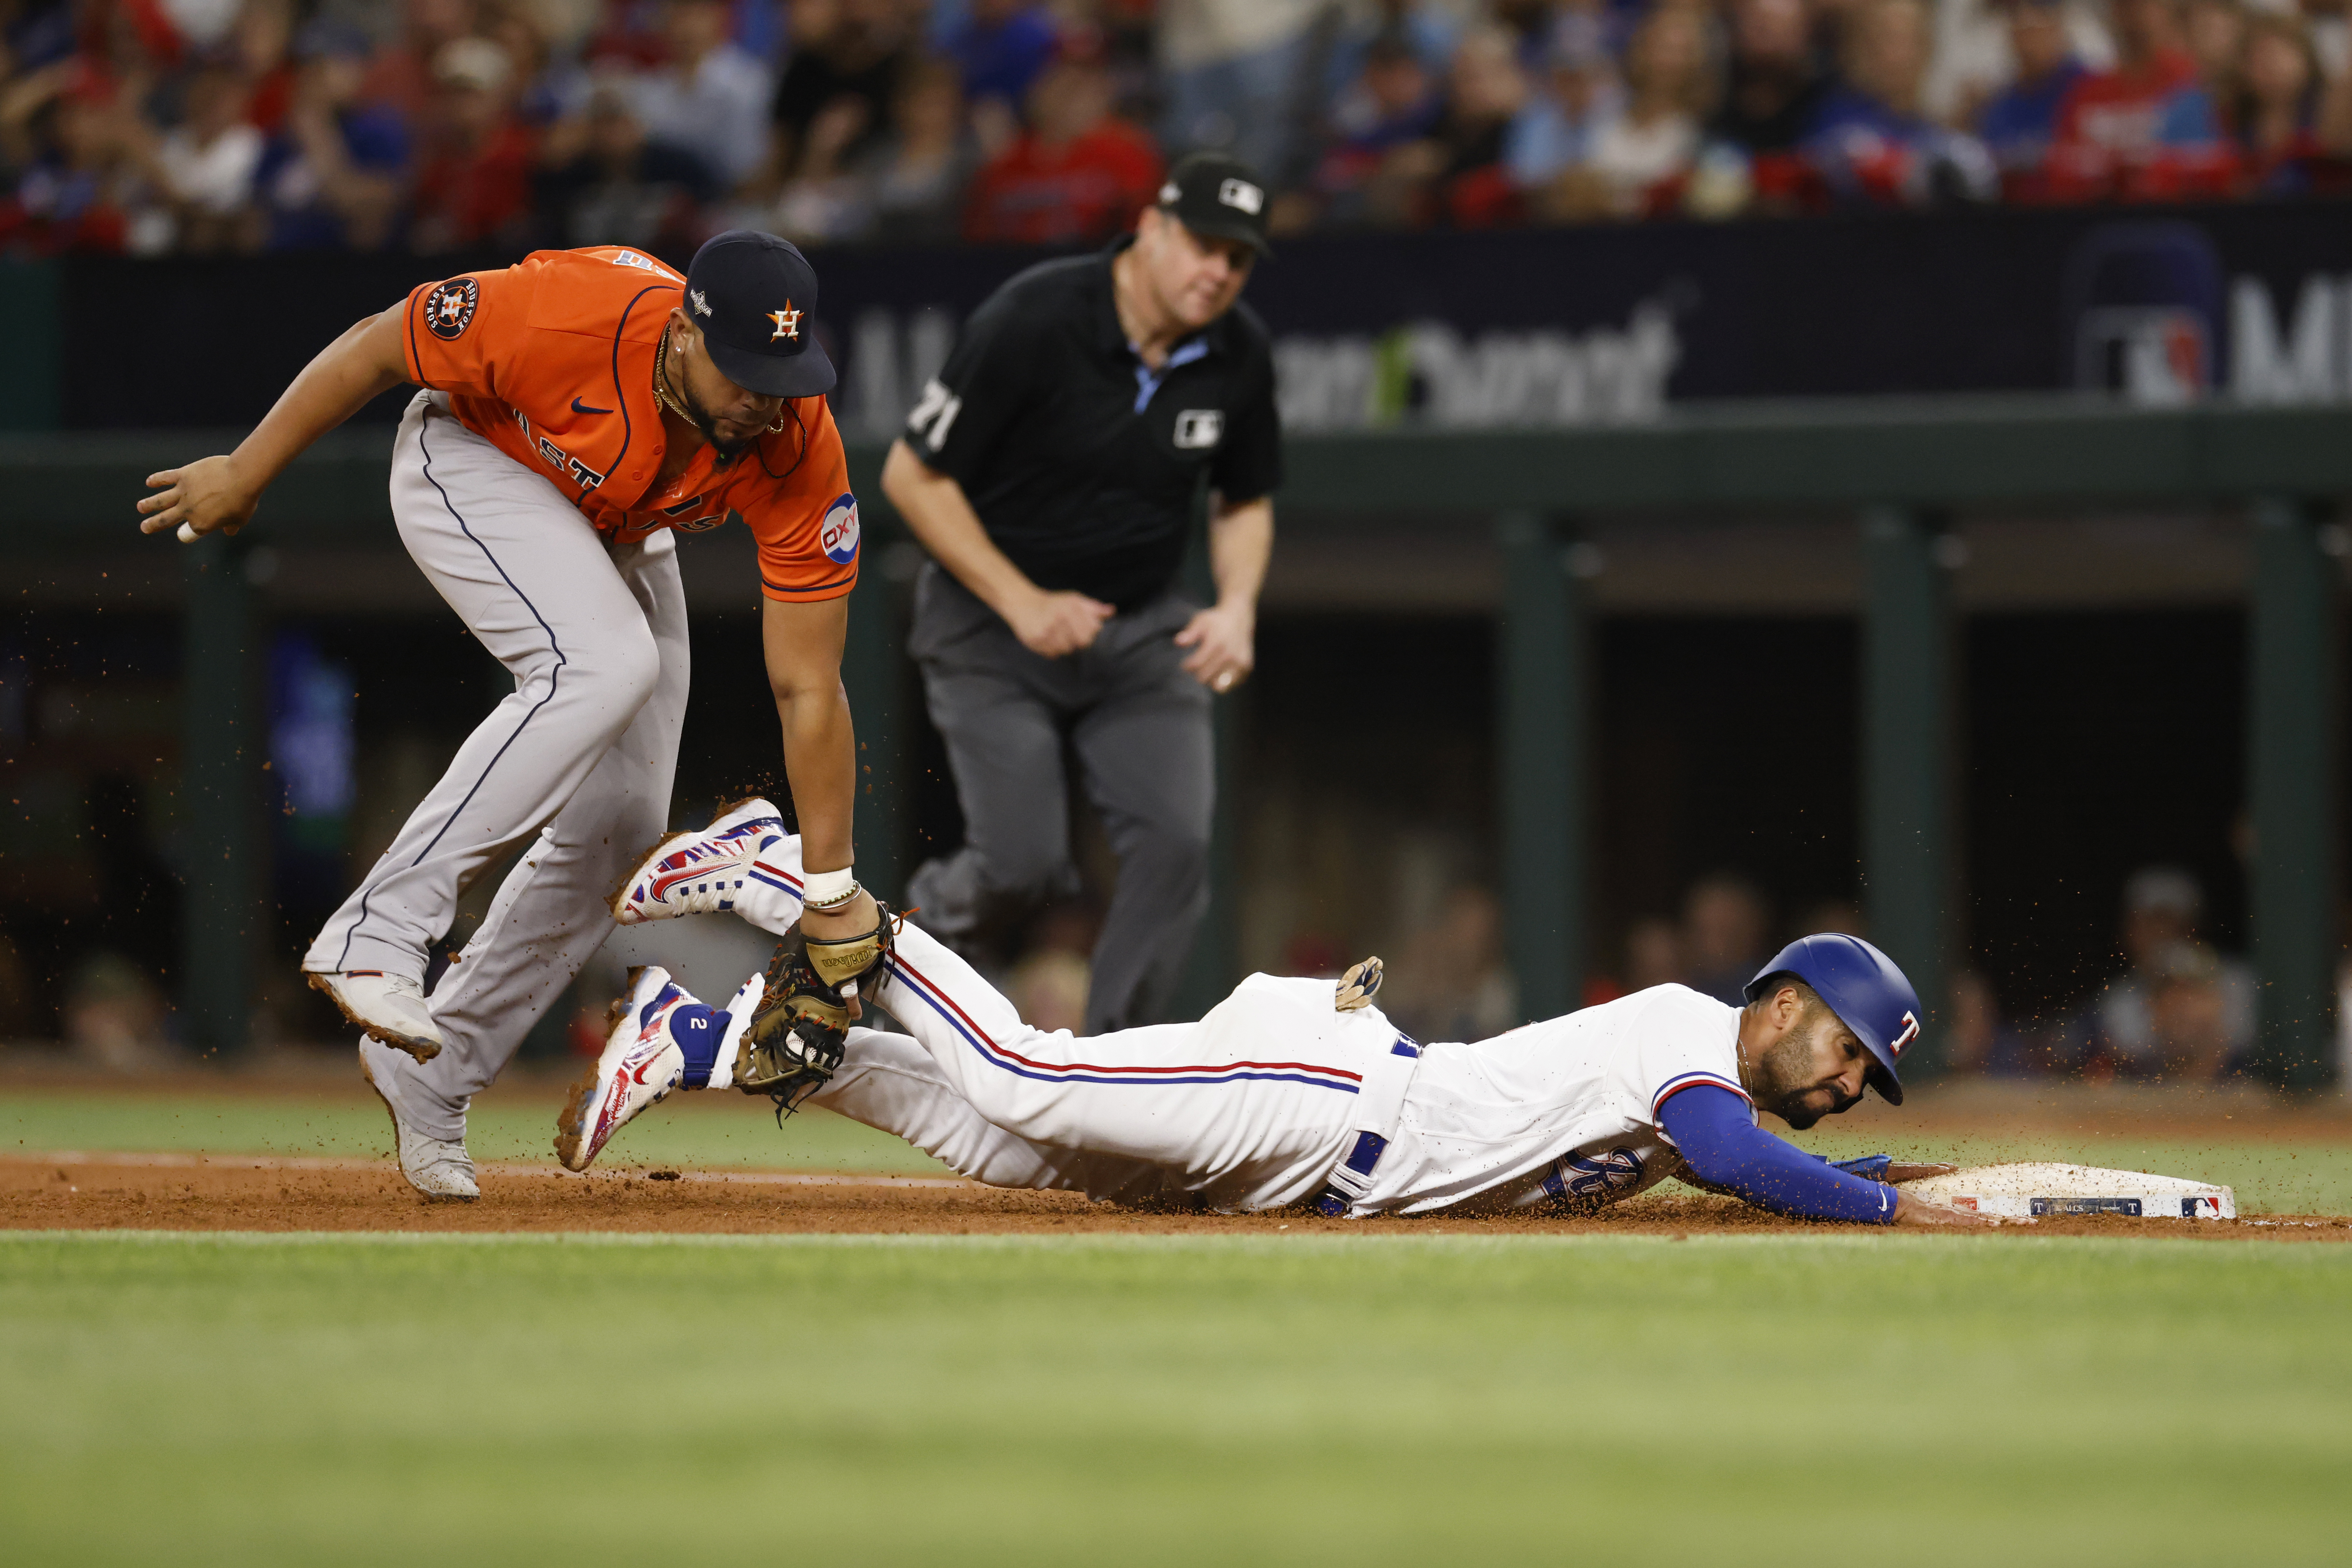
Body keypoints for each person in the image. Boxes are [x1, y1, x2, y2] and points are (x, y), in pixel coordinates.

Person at [135, 231, 883, 1201]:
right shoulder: (570, 312)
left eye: (782, 373)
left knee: (623, 827)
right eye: (743, 370)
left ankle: (434, 1074)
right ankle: (379, 931)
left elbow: (810, 688)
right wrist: (248, 470)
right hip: (470, 455)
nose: (763, 397)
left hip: (615, 524)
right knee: (601, 662)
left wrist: (830, 890)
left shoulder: (793, 440)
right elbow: (374, 343)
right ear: (686, 336)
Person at [566, 828, 1994, 1229]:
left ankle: (702, 1040)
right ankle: (786, 880)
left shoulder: (1717, 1100)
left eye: (1869, 1080)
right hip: (1322, 1092)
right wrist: (1893, 1218)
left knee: (998, 1145)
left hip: (1304, 1168)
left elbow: (1760, 1164)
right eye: (1853, 1054)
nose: (1855, 1082)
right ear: (1788, 1006)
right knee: (1020, 1070)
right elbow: (1736, 1160)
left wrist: (1893, 1184)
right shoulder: (1689, 1031)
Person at [877, 153, 1279, 1037]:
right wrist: (1022, 600)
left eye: (1237, 258)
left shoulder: (1238, 349)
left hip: (1137, 627)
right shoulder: (1035, 315)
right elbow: (911, 476)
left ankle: (1112, 1068)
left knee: (1174, 847)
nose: (1217, 271)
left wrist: (1237, 604)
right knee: (1022, 866)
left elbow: (1243, 497)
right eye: (1204, 246)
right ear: (1152, 228)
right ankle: (892, 947)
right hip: (991, 623)